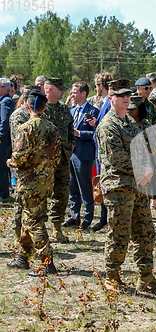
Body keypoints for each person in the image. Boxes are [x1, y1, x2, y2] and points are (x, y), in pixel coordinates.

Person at [96, 79, 156, 294]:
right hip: (119, 187)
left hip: (138, 187)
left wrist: (147, 169)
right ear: (111, 98)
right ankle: (112, 277)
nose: (126, 98)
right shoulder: (108, 125)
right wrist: (142, 169)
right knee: (119, 235)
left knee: (145, 233)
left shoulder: (130, 123)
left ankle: (146, 278)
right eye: (120, 96)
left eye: (128, 95)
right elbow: (116, 157)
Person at [6, 89, 61, 276]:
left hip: (29, 182)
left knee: (34, 220)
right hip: (46, 181)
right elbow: (58, 157)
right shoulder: (53, 128)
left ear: (27, 106)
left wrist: (10, 162)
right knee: (27, 218)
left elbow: (19, 158)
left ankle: (47, 262)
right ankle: (23, 257)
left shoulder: (25, 129)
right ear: (45, 107)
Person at [65, 82, 99, 231]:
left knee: (85, 188)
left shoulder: (93, 111)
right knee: (72, 188)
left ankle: (87, 218)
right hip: (71, 154)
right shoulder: (72, 111)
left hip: (83, 154)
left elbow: (96, 133)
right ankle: (74, 216)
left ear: (83, 93)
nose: (72, 94)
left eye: (74, 92)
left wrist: (80, 133)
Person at [44, 78, 75, 243]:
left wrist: (71, 146)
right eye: (60, 89)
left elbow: (71, 128)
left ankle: (57, 229)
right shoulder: (39, 108)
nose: (63, 91)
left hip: (63, 158)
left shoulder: (64, 109)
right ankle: (38, 230)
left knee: (62, 194)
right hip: (45, 160)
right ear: (50, 89)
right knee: (41, 194)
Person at [9, 86, 37, 239]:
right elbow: (20, 142)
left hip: (33, 163)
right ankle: (17, 232)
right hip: (22, 163)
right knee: (20, 199)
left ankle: (28, 233)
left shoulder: (33, 115)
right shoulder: (18, 116)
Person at [88, 72, 114, 233]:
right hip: (100, 150)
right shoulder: (105, 102)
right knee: (102, 184)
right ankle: (103, 219)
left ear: (101, 86)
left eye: (96, 85)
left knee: (106, 185)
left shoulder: (109, 102)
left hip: (104, 152)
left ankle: (106, 221)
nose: (96, 88)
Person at [0, 78, 15, 203]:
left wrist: (0, 136)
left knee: (1, 167)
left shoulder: (6, 101)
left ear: (5, 88)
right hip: (3, 139)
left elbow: (5, 122)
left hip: (3, 140)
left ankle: (4, 195)